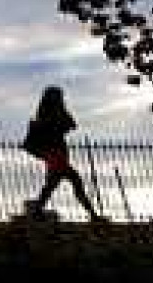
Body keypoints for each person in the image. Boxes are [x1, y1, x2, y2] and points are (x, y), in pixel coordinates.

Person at [22, 86, 104, 221]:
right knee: (73, 183)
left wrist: (63, 112)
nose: (62, 99)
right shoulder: (48, 116)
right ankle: (93, 215)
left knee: (53, 185)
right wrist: (62, 115)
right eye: (59, 97)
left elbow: (71, 124)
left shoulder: (49, 114)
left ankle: (36, 210)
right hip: (56, 155)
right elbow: (68, 125)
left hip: (57, 155)